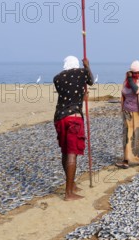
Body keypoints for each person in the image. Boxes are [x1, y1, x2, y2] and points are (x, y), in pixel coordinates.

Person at [53, 55, 94, 201]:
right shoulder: (82, 72)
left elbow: (68, 94)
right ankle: (68, 193)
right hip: (73, 118)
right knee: (72, 153)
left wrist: (81, 96)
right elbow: (91, 81)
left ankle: (72, 184)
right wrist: (87, 66)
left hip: (59, 117)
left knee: (65, 151)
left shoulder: (57, 78)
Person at [117, 60, 139, 169]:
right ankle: (126, 160)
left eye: (137, 73)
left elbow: (136, 90)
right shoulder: (127, 81)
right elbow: (123, 92)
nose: (136, 75)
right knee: (127, 135)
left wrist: (131, 79)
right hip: (128, 111)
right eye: (133, 73)